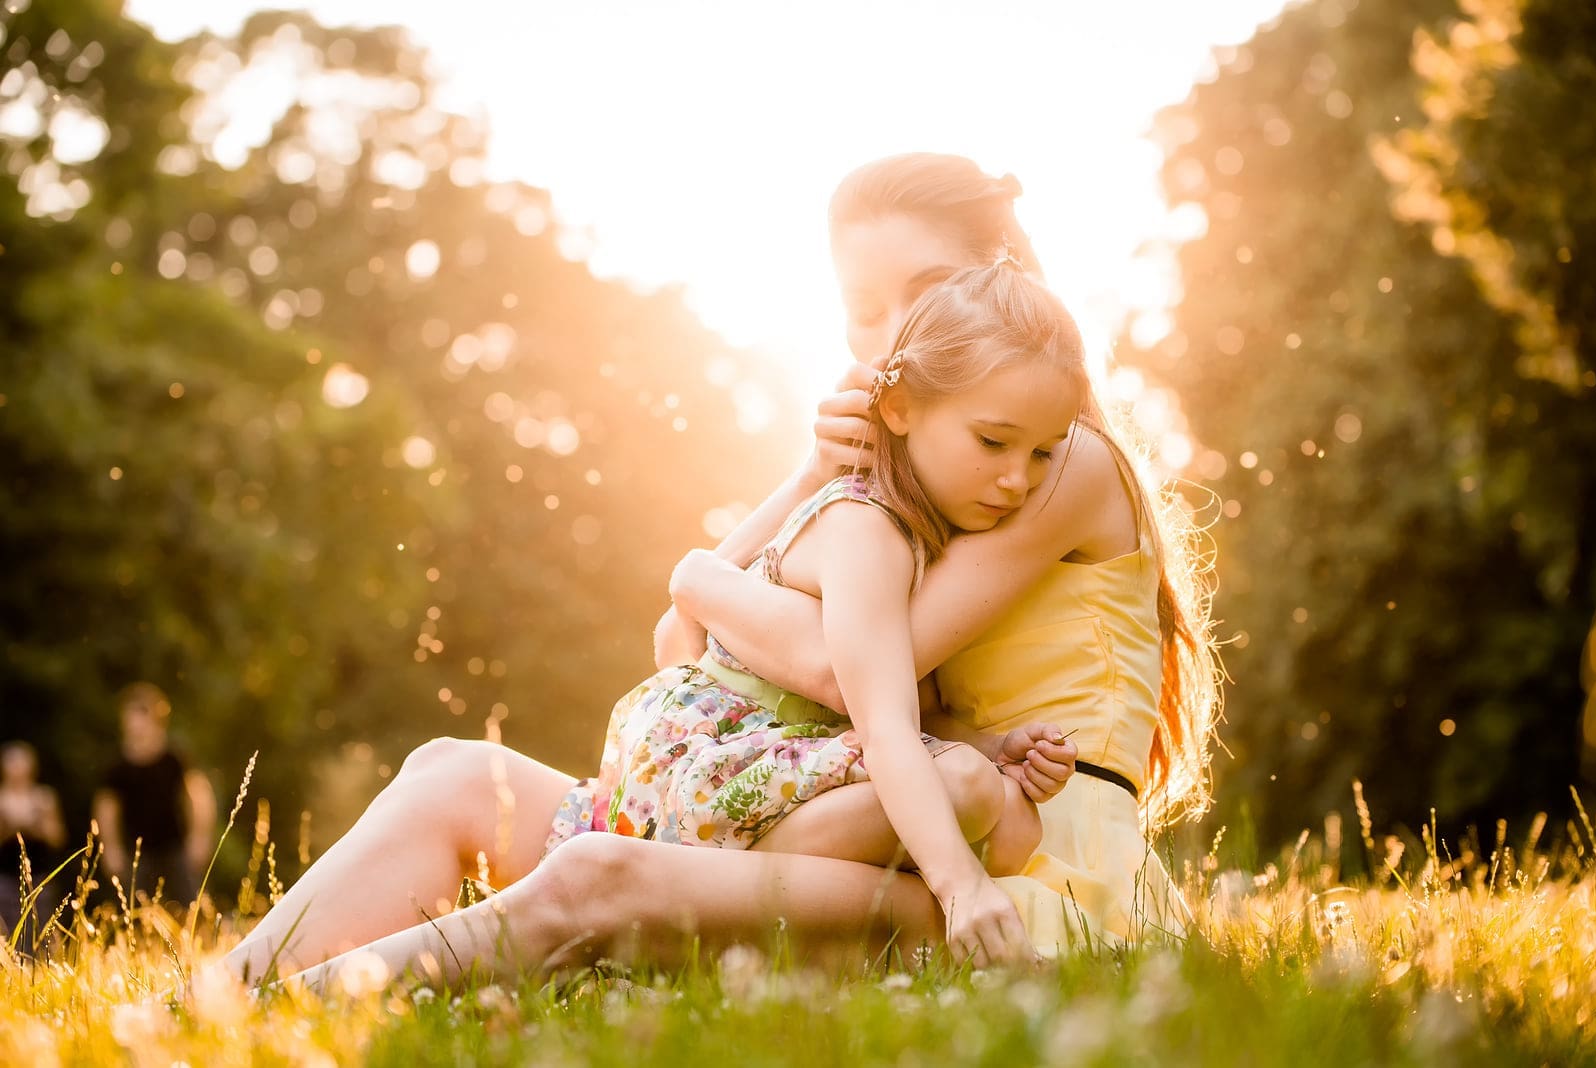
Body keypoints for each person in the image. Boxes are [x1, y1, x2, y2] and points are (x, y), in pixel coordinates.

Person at [224, 153, 1217, 987]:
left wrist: (701, 577)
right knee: (451, 773)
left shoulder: (1049, 462)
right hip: (851, 812)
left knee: (600, 873)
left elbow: (845, 670)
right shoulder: (910, 480)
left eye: (920, 298)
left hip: (1024, 862)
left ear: (1002, 283)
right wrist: (806, 475)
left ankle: (301, 1012)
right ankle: (215, 1001)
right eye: (858, 313)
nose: (886, 345)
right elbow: (680, 651)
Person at [544, 260, 1085, 910]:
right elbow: (883, 723)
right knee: (965, 790)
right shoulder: (865, 525)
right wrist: (959, 885)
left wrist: (996, 747)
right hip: (718, 758)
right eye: (995, 441)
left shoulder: (922, 532)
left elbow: (900, 705)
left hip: (792, 748)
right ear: (899, 407)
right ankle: (682, 875)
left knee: (1011, 816)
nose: (1018, 482)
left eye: (1042, 454)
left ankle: (715, 877)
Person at [93, 682, 218, 906]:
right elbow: (106, 810)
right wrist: (111, 848)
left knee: (193, 905)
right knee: (135, 910)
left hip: (176, 847)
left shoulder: (174, 758)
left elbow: (198, 797)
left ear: (157, 721)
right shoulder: (117, 767)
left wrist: (200, 837)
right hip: (137, 852)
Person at [0, 740, 66, 941]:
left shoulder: (44, 798)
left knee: (40, 931)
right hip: (5, 875)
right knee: (7, 931)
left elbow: (58, 838)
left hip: (39, 875)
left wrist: (38, 826)